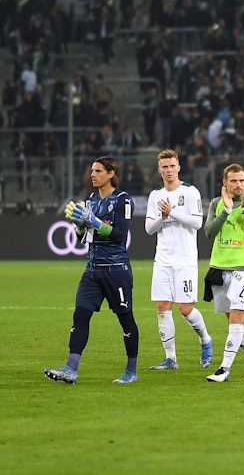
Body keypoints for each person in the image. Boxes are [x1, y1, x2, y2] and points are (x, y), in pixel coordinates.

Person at [45, 156, 139, 384]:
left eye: (98, 171)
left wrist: (94, 221)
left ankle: (131, 371)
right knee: (81, 314)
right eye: (91, 170)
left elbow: (119, 235)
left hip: (116, 269)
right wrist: (79, 226)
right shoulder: (90, 200)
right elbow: (82, 239)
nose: (92, 174)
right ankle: (71, 367)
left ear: (110, 174)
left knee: (125, 319)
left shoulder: (122, 201)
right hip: (92, 270)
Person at [145, 149, 213, 371]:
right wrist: (162, 217)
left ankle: (205, 339)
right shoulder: (155, 195)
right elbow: (149, 228)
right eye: (164, 167)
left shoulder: (190, 192)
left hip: (185, 260)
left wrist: (171, 213)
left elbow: (197, 223)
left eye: (172, 166)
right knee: (163, 307)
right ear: (159, 170)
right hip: (163, 259)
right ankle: (171, 358)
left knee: (185, 308)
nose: (169, 170)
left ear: (179, 167)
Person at [203, 163, 244, 382]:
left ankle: (224, 369)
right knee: (234, 320)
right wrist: (228, 210)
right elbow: (209, 232)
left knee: (237, 317)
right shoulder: (216, 203)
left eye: (242, 180)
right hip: (220, 267)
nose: (239, 184)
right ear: (225, 183)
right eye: (234, 181)